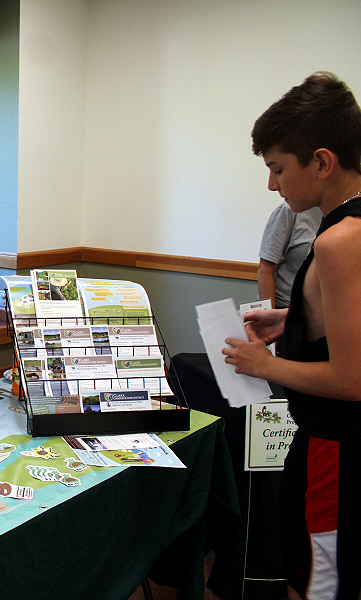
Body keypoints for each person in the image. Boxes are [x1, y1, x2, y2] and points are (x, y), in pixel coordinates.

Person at [222, 72, 361, 600]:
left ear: (322, 162)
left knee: (320, 584)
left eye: (278, 169)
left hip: (336, 443)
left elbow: (351, 378)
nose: (272, 184)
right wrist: (291, 322)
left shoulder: (339, 241)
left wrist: (265, 364)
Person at [258, 203, 322, 308]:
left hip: (325, 311)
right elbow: (265, 270)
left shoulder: (349, 213)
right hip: (286, 307)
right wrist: (269, 317)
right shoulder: (289, 211)